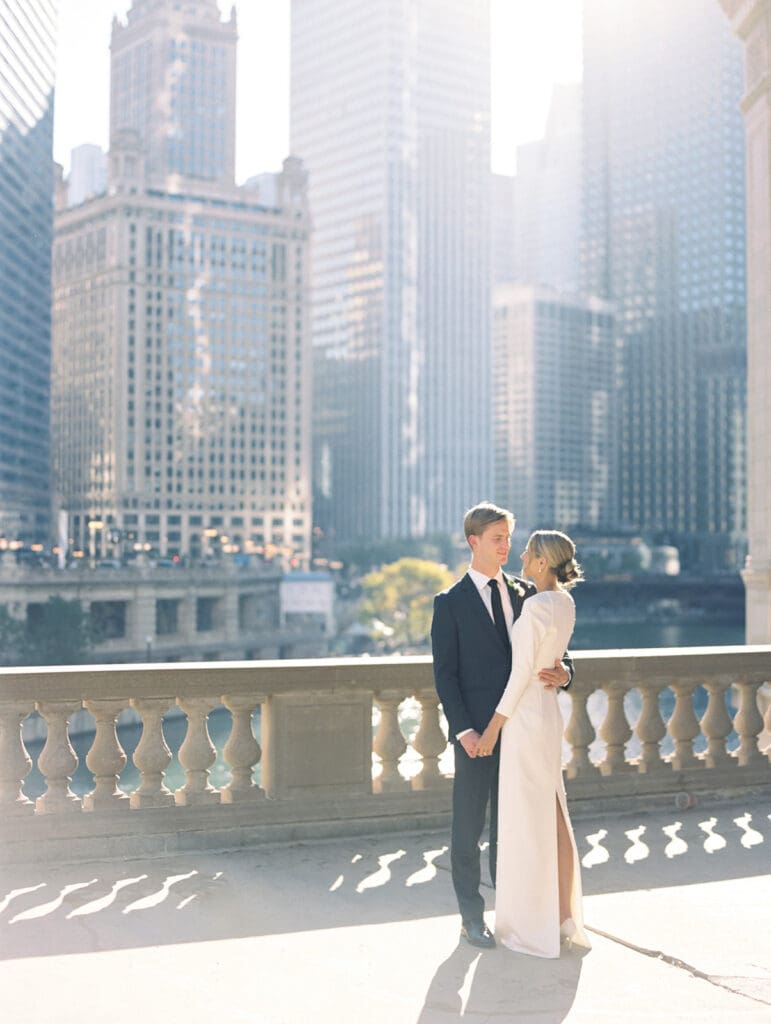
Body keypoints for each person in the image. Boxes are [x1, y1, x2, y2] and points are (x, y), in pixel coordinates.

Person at [431, 503, 573, 949]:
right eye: (497, 538)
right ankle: (471, 918)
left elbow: (552, 651)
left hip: (522, 732)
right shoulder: (449, 603)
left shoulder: (526, 593)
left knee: (511, 830)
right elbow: (445, 676)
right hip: (477, 734)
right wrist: (464, 730)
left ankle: (511, 915)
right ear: (473, 542)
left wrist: (567, 673)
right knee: (468, 829)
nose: (506, 546)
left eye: (509, 538)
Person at [475, 530, 592, 958]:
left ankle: (531, 924)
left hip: (525, 718)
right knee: (553, 812)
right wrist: (561, 674)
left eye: (527, 550)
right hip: (547, 714)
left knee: (527, 820)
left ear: (542, 562)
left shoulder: (539, 604)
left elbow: (520, 674)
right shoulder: (565, 602)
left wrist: (491, 729)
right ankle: (562, 915)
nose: (520, 554)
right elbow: (550, 661)